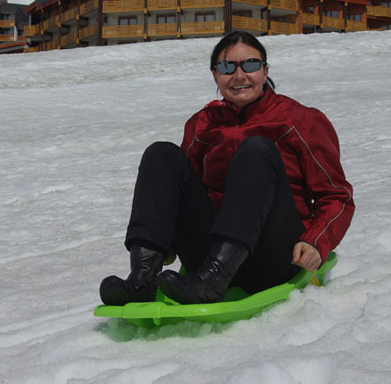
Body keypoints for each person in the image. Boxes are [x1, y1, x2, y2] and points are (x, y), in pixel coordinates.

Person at [99, 31, 354, 305]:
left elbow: (337, 196)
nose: (240, 75)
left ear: (265, 70)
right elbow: (179, 194)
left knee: (257, 150)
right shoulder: (201, 125)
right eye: (227, 67)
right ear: (215, 76)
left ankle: (214, 280)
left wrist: (316, 241)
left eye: (251, 65)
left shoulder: (300, 120)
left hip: (275, 255)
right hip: (207, 257)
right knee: (161, 154)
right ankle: (142, 279)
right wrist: (169, 243)